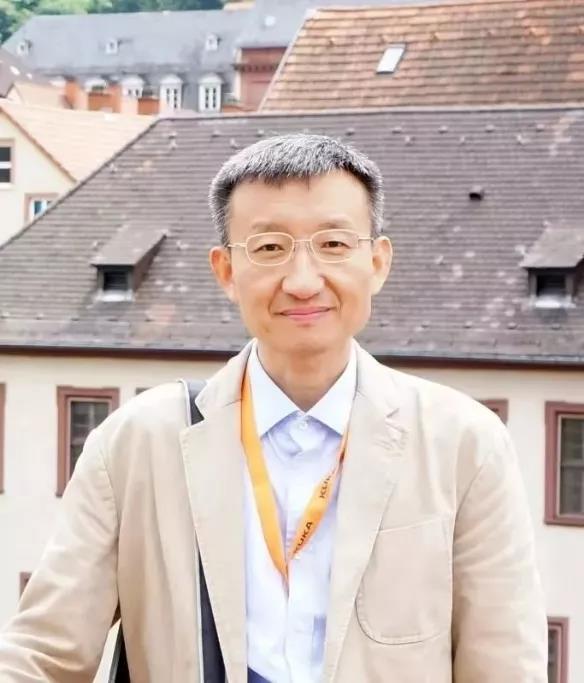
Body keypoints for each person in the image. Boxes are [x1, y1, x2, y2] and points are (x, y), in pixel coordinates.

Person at [0, 134, 547, 682]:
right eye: (269, 248)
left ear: (378, 262)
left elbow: (505, 668)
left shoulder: (463, 444)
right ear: (225, 271)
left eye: (333, 244)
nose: (303, 281)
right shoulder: (138, 445)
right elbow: (42, 656)